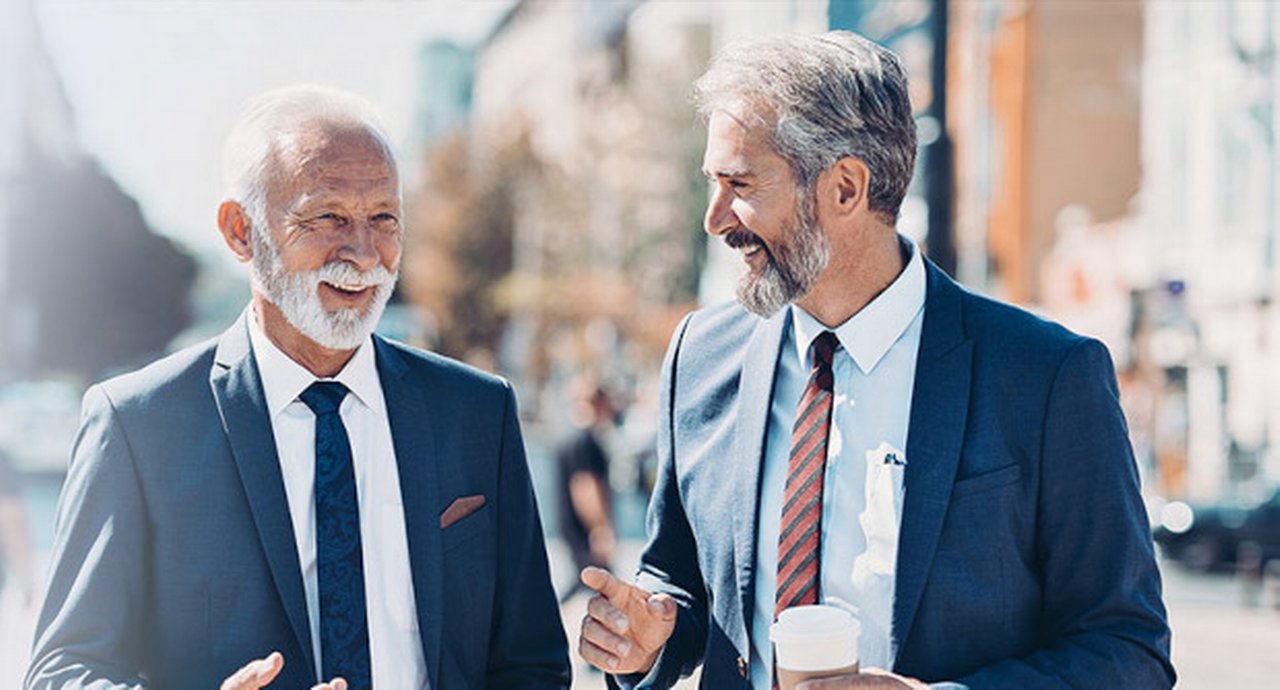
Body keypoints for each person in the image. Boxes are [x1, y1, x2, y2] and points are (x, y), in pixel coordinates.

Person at [577, 32, 1174, 689]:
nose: (716, 219)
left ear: (846, 188)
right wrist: (648, 639)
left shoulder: (1045, 377)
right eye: (712, 185)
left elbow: (1126, 650)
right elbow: (681, 585)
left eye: (739, 184)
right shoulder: (700, 357)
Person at [26, 85, 570, 690]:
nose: (363, 254)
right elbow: (63, 670)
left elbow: (533, 663)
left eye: (384, 218)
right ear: (240, 231)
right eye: (328, 216)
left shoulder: (476, 412)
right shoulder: (137, 425)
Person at [554, 379, 617, 603]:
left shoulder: (567, 436)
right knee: (605, 586)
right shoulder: (585, 441)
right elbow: (585, 486)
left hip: (571, 524)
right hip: (584, 527)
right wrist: (600, 528)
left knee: (583, 581)